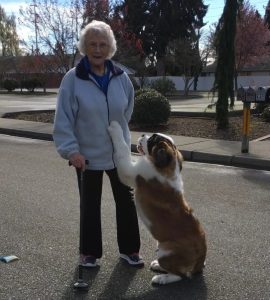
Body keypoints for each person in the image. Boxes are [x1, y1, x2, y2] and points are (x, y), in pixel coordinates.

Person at [53, 20, 143, 268]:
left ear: (110, 48)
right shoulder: (72, 79)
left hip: (119, 154)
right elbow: (63, 119)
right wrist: (71, 150)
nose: (97, 49)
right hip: (86, 156)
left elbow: (127, 109)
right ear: (84, 46)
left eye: (103, 44)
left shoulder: (121, 77)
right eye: (92, 44)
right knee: (90, 206)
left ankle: (130, 250)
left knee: (126, 202)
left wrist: (120, 138)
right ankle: (89, 252)